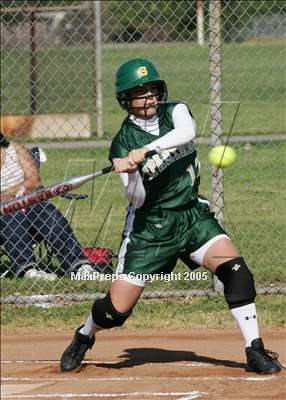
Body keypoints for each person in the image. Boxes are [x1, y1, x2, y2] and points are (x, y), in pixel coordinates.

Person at [60, 58, 283, 374]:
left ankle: (255, 350)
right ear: (126, 100)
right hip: (150, 229)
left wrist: (148, 150)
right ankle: (84, 335)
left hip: (192, 216)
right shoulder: (122, 142)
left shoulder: (175, 111)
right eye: (140, 92)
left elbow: (187, 132)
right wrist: (133, 172)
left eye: (152, 89)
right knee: (116, 311)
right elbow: (135, 198)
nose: (149, 97)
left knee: (237, 272)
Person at [0, 133, 98, 280]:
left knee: (46, 211)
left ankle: (79, 266)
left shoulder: (15, 149)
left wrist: (9, 192)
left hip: (30, 202)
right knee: (11, 213)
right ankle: (28, 270)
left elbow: (34, 181)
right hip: (4, 214)